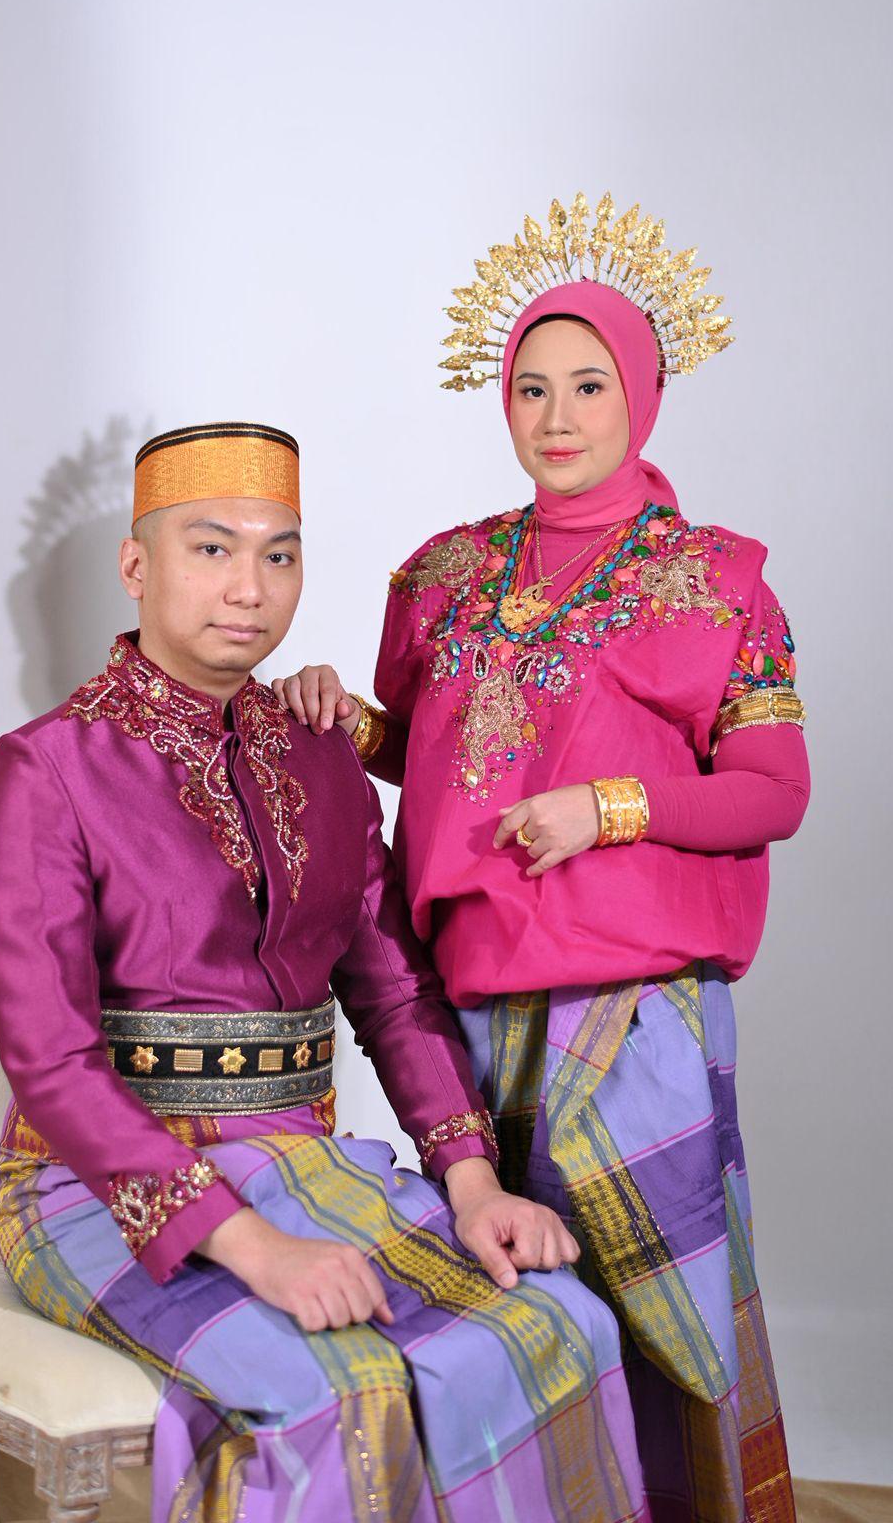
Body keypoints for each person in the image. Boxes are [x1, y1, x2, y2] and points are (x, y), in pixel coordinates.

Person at [0, 420, 648, 1523]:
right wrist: (257, 1252)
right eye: (211, 548)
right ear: (136, 564)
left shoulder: (320, 748)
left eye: (278, 554)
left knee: (562, 1324)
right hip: (95, 1190)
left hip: (299, 1159)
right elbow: (49, 1063)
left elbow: (394, 992)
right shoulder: (49, 766)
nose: (250, 587)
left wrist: (472, 1180)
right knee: (340, 1393)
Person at [274, 195, 807, 1522]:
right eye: (529, 387)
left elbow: (770, 791)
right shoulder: (443, 575)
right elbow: (435, 754)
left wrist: (605, 809)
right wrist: (349, 724)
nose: (556, 415)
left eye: (586, 384)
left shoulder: (716, 582)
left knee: (663, 1312)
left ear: (640, 395)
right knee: (520, 1319)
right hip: (470, 999)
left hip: (633, 1013)